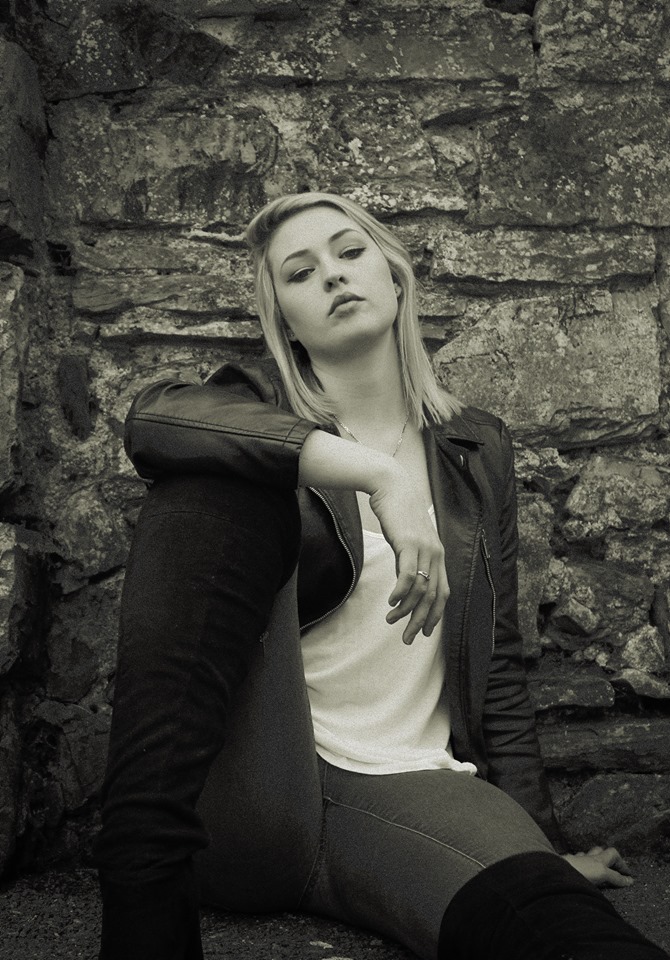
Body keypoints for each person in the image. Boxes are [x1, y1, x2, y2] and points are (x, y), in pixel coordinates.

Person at [94, 191, 669, 960]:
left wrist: (545, 838)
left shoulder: (476, 449)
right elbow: (152, 420)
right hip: (257, 787)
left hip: (414, 787)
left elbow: (496, 664)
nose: (332, 276)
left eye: (350, 252)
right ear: (284, 323)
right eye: (300, 273)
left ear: (396, 275)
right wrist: (376, 475)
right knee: (213, 480)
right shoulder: (250, 406)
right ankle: (139, 880)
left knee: (560, 926)